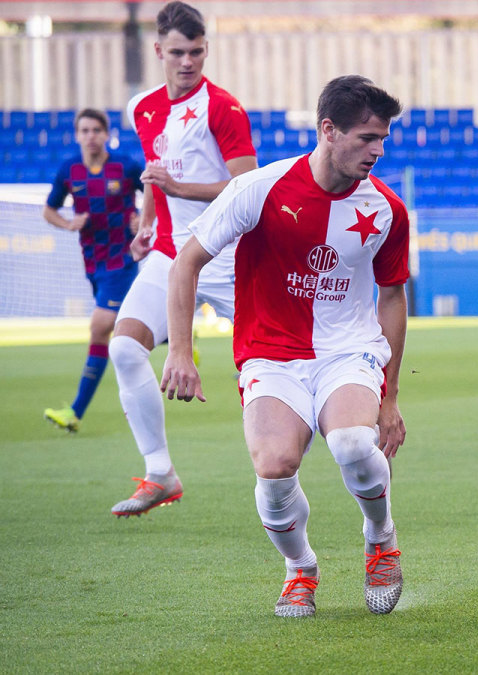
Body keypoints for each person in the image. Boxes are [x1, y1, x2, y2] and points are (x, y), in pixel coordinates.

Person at [160, 75, 409, 618]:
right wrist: (179, 350)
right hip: (271, 352)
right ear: (328, 130)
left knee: (352, 443)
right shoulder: (260, 189)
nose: (378, 151)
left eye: (383, 139)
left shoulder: (387, 209)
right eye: (367, 138)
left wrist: (389, 397)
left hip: (347, 350)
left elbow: (392, 296)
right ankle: (300, 569)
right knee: (274, 467)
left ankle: (381, 540)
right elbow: (186, 262)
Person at [108, 0, 257, 517]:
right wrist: (147, 219)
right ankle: (160, 473)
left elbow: (246, 186)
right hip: (170, 251)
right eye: (177, 53)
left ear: (206, 49)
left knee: (279, 358)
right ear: (158, 51)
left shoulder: (224, 109)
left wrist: (180, 188)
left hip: (227, 254)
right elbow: (156, 171)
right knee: (124, 349)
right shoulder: (142, 107)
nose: (188, 61)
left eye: (196, 51)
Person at [42, 109, 145, 433]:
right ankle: (177, 334)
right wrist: (68, 223)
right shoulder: (69, 170)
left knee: (100, 327)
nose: (90, 136)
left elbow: (157, 193)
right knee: (127, 327)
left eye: (96, 130)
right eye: (84, 130)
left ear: (106, 134)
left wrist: (143, 220)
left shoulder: (126, 166)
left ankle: (74, 412)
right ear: (77, 135)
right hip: (92, 262)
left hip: (122, 260)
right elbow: (49, 210)